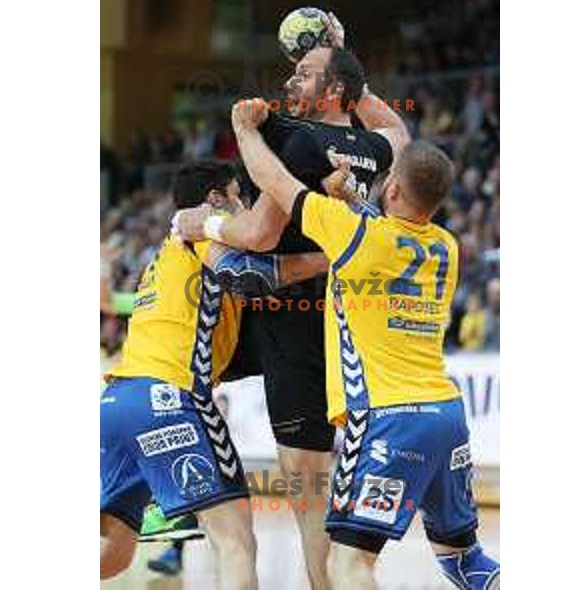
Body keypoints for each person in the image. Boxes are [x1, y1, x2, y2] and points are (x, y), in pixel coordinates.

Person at [228, 98, 500, 590]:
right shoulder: (445, 245)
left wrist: (245, 131)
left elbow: (277, 183)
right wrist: (349, 196)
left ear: (392, 187)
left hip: (387, 421)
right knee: (465, 561)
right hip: (446, 417)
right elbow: (384, 223)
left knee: (348, 565)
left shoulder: (357, 237)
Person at [173, 45, 409, 589]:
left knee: (307, 495)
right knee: (323, 485)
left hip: (292, 322)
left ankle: (159, 468)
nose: (290, 80)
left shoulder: (302, 141)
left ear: (332, 93)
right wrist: (354, 70)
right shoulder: (375, 146)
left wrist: (202, 219)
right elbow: (396, 127)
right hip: (345, 319)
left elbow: (258, 233)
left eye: (304, 74)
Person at [100, 160, 328, 587]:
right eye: (239, 192)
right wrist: (325, 259)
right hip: (172, 396)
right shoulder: (204, 228)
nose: (245, 203)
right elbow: (249, 273)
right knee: (236, 541)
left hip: (116, 401)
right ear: (215, 200)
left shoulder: (164, 256)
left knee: (113, 552)